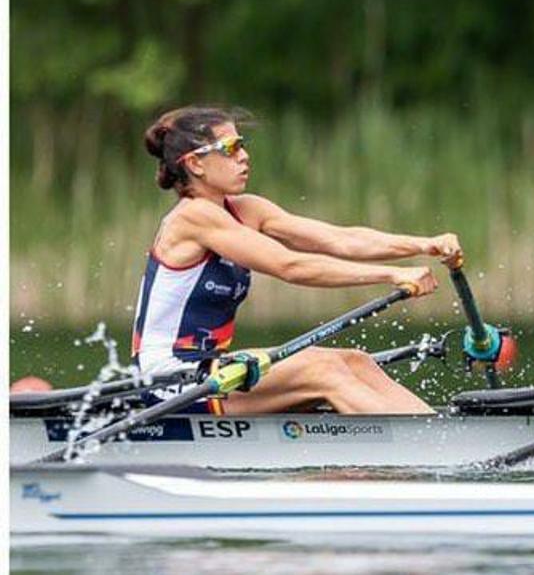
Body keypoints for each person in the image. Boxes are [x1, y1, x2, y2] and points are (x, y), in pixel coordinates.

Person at [136, 105, 457, 415]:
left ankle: (435, 433)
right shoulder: (193, 217)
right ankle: (422, 453)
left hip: (211, 368)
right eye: (230, 148)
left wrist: (425, 244)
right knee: (323, 370)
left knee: (355, 360)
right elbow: (290, 266)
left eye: (242, 145)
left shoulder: (246, 209)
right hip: (171, 381)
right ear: (195, 164)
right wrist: (392, 276)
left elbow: (339, 240)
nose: (245, 156)